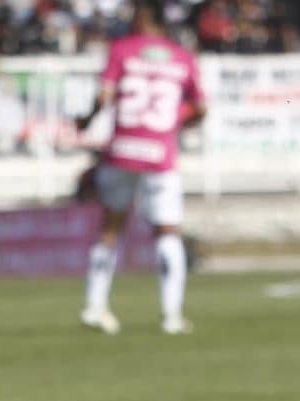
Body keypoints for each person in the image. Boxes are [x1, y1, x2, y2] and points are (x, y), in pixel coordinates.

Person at [75, 0, 205, 337]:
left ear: (144, 18)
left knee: (111, 228)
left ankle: (95, 305)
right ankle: (172, 314)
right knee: (167, 232)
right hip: (160, 153)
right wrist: (172, 125)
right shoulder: (182, 57)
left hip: (123, 149)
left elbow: (104, 97)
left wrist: (86, 120)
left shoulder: (121, 50)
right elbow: (201, 107)